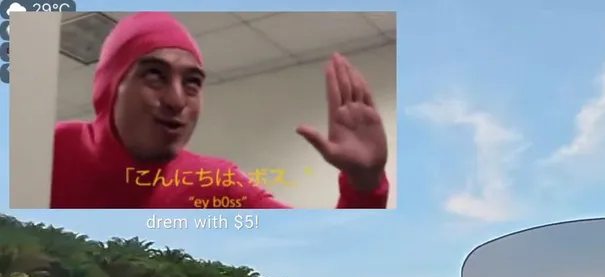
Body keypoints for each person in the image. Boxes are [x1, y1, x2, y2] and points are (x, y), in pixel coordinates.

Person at [50, 12, 389, 210]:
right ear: (110, 87)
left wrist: (365, 184)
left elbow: (326, 248)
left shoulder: (214, 183)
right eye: (154, 75)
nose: (177, 100)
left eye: (192, 82)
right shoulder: (49, 149)